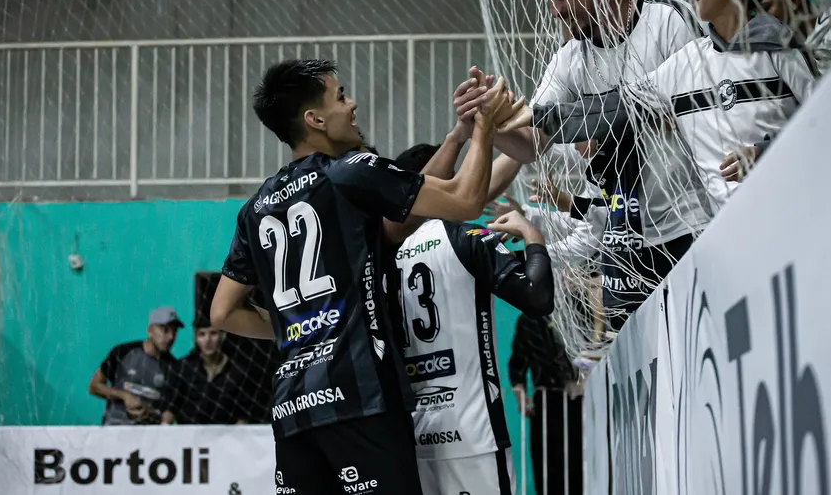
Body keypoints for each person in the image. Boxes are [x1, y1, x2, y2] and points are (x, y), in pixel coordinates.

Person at [210, 58, 516, 494]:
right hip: (360, 401)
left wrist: (457, 136)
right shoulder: (348, 170)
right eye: (340, 96)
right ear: (314, 119)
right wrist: (485, 126)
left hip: (294, 411)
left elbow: (221, 313)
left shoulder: (255, 209)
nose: (352, 104)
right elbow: (465, 201)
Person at [459, 0, 710, 331]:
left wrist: (591, 120)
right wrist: (489, 123)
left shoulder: (667, 21)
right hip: (623, 240)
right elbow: (532, 144)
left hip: (688, 223)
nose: (555, 10)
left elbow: (690, 110)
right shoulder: (570, 59)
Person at [503, 0, 817, 207]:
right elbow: (613, 108)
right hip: (723, 234)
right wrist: (538, 116)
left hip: (788, 206)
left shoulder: (779, 46)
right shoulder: (685, 64)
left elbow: (827, 120)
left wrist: (765, 152)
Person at [389, 145, 555, 495]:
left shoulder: (382, 253)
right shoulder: (466, 238)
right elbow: (537, 297)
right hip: (473, 434)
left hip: (415, 438)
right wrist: (532, 236)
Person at [508, 313, 583, 495]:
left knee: (579, 465)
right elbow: (517, 364)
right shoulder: (529, 319)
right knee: (548, 468)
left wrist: (583, 381)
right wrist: (522, 397)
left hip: (579, 402)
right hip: (546, 403)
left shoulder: (581, 312)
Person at [87, 306, 182, 425]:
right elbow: (94, 386)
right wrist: (124, 396)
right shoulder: (123, 352)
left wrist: (149, 412)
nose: (171, 337)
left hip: (148, 436)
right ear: (150, 330)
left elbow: (169, 411)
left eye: (175, 331)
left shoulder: (175, 367)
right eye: (165, 330)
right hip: (114, 430)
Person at [162, 324, 272, 424]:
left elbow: (244, 415)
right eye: (202, 334)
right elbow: (171, 408)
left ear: (223, 335)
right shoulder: (183, 368)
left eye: (213, 333)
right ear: (196, 338)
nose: (207, 340)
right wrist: (165, 428)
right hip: (189, 437)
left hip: (228, 438)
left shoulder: (238, 372)